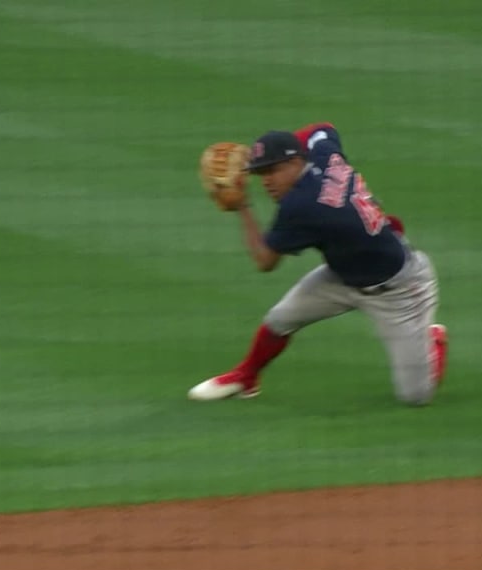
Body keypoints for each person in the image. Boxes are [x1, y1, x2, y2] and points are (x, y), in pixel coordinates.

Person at [188, 123, 448, 405]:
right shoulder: (324, 153)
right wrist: (268, 150)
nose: (266, 182)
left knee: (416, 397)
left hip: (399, 290)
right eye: (261, 173)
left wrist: (243, 207)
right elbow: (324, 128)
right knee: (280, 319)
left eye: (273, 170)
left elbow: (265, 261)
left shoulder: (302, 206)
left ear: (296, 161)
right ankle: (246, 377)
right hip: (341, 275)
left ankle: (431, 339)